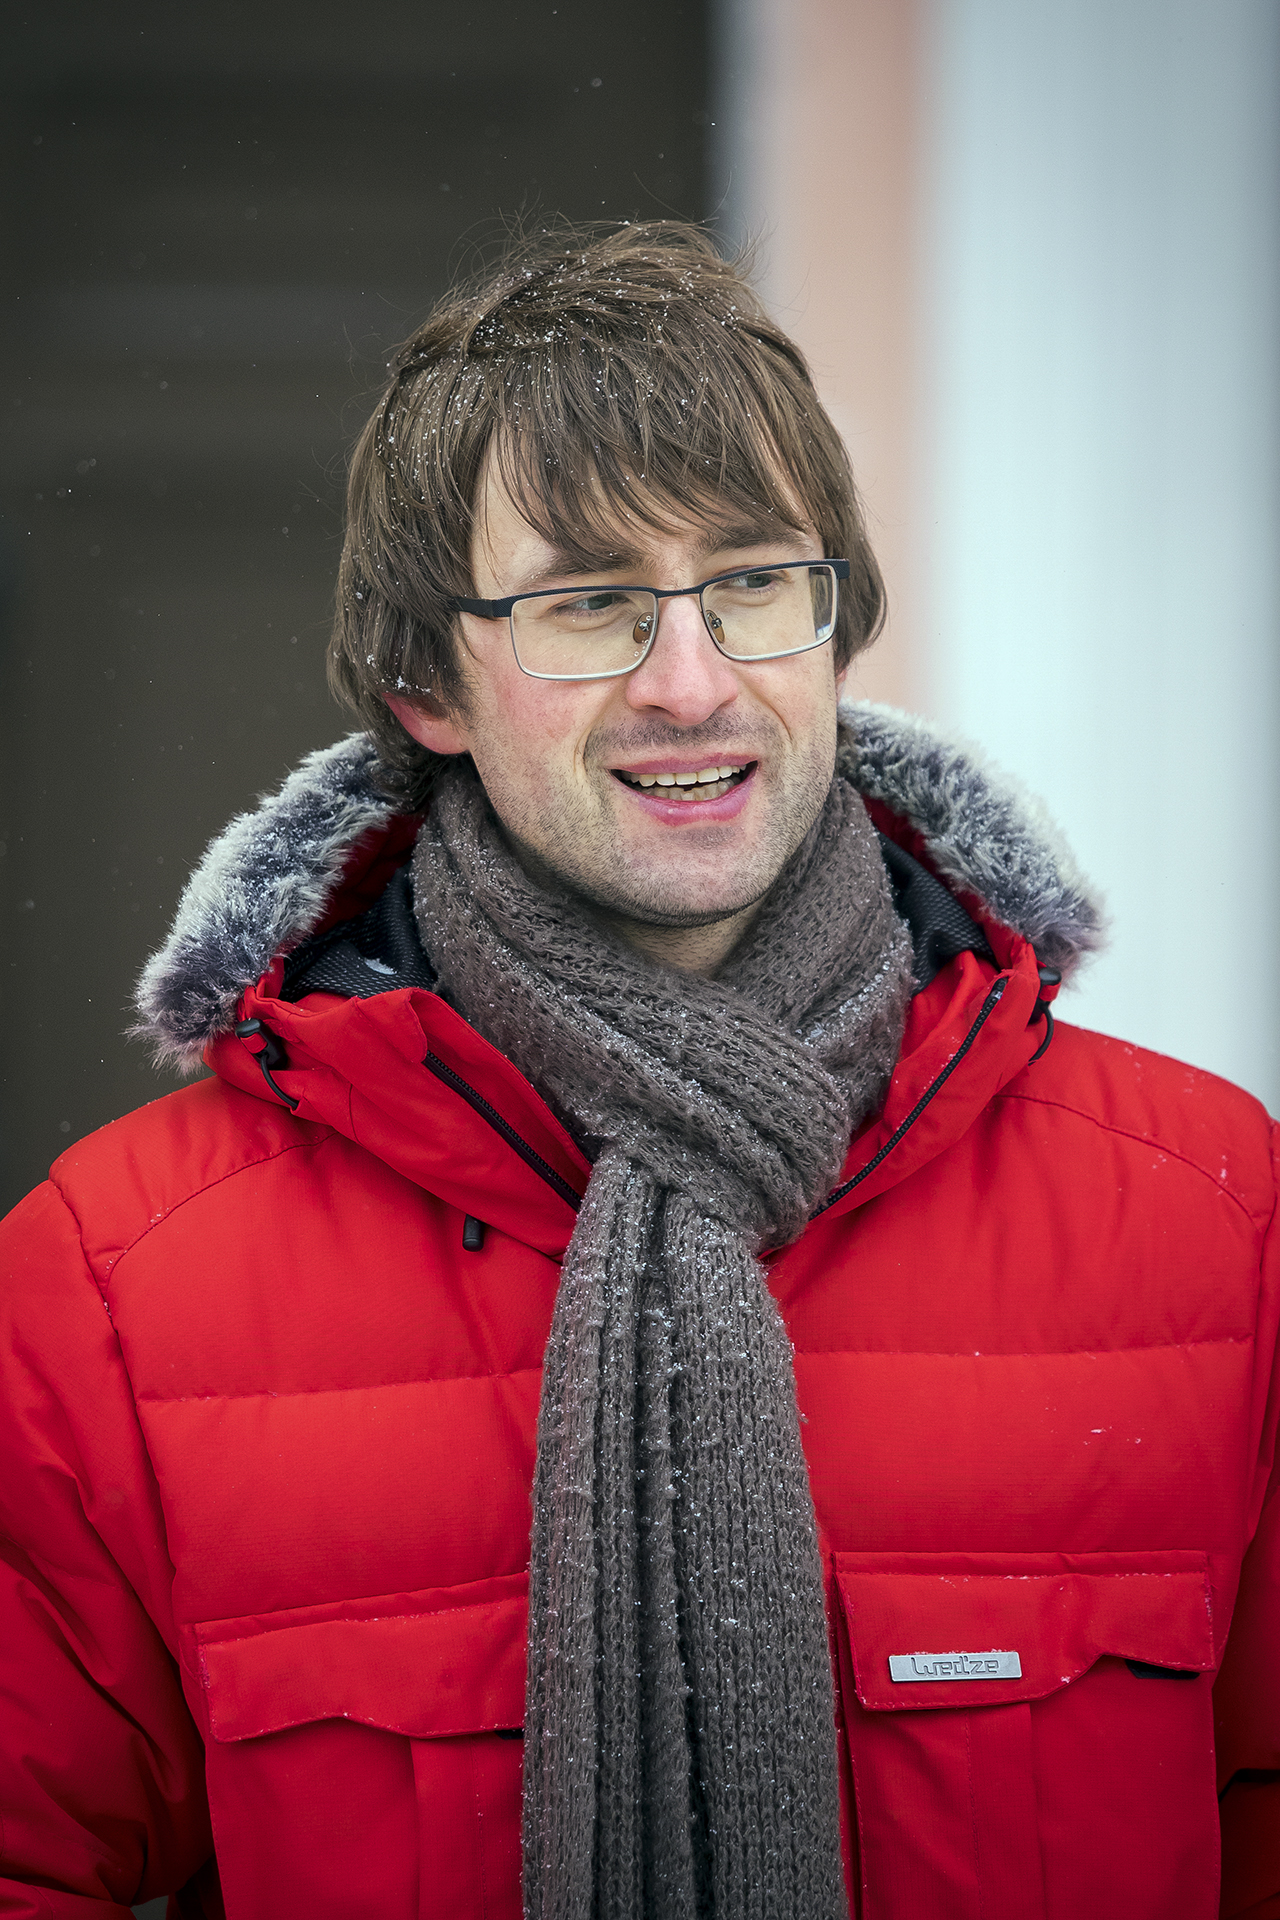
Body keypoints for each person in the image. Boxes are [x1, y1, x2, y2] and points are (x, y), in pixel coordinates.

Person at [0, 221, 1276, 1920]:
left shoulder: (1210, 1219)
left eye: (751, 582)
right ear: (426, 684)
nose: (692, 682)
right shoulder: (117, 1283)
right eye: (589, 604)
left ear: (834, 624)